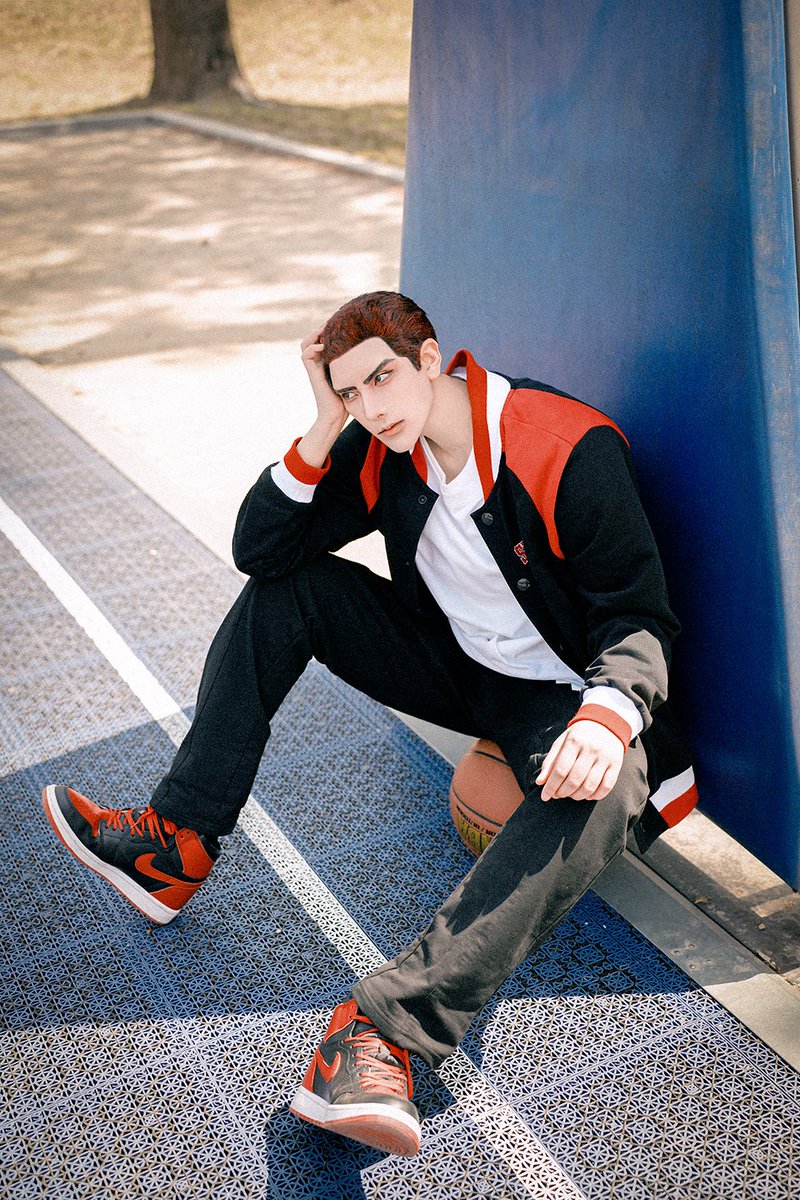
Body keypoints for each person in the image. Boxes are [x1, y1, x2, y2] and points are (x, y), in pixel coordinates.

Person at [43, 291, 697, 1159]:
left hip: (566, 695)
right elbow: (260, 550)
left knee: (608, 784)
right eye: (351, 391)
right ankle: (176, 844)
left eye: (382, 378)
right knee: (289, 592)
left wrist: (607, 719)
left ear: (430, 359)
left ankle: (381, 1032)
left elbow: (639, 615)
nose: (372, 407)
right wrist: (322, 425)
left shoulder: (563, 445)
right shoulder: (379, 445)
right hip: (464, 667)